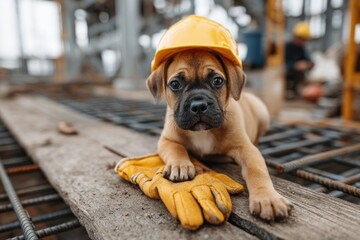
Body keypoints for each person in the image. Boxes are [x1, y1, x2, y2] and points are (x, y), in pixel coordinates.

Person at [285, 22, 314, 98]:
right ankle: (287, 91)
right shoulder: (287, 47)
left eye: (304, 39)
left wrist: (308, 64)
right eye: (301, 39)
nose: (303, 42)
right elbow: (283, 62)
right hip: (288, 72)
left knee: (300, 73)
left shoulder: (302, 49)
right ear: (295, 37)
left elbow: (309, 60)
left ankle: (296, 92)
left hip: (298, 73)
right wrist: (294, 65)